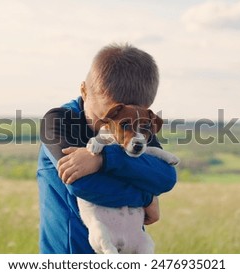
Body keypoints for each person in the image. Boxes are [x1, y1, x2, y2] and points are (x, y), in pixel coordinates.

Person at [37, 43, 177, 254]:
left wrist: (104, 158)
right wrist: (147, 198)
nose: (109, 126)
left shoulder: (135, 126)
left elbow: (166, 177)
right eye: (105, 117)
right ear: (84, 90)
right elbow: (83, 185)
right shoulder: (58, 120)